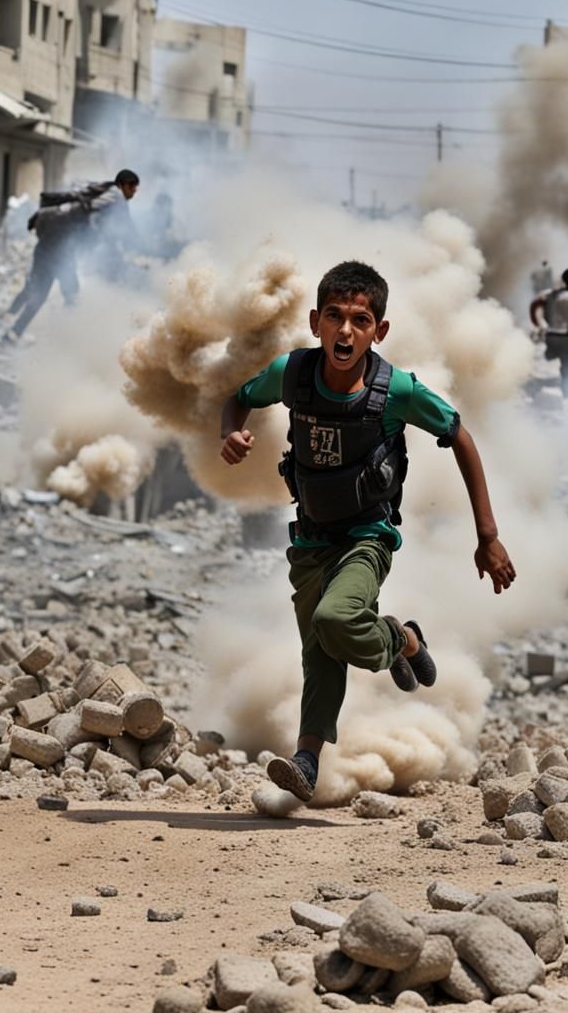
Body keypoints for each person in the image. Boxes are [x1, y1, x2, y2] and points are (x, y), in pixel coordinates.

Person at [220, 260, 516, 803]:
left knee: (335, 620)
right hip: (310, 540)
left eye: (360, 320)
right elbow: (238, 397)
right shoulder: (291, 374)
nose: (345, 330)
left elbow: (459, 435)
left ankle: (402, 639)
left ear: (379, 331)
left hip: (367, 536)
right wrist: (231, 433)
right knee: (319, 652)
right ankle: (307, 761)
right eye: (334, 317)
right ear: (315, 322)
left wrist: (487, 535)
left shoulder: (394, 391)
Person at [5, 168, 140, 339]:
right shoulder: (116, 196)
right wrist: (142, 245)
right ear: (123, 185)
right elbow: (125, 226)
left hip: (54, 245)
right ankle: (62, 337)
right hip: (58, 248)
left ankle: (12, 326)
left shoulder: (101, 190)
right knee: (62, 295)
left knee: (45, 292)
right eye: (132, 188)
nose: (133, 193)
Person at [529, 267, 568, 411]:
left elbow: (534, 306)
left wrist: (539, 324)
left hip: (553, 339)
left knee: (566, 368)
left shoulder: (549, 294)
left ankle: (567, 397)